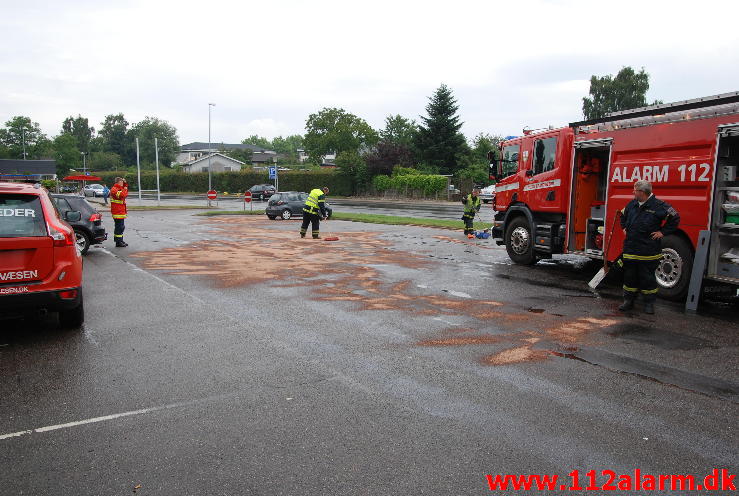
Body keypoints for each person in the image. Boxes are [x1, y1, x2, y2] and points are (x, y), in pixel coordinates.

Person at [618, 180, 680, 314]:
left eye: (635, 190)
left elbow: (675, 217)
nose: (633, 192)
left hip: (648, 250)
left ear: (642, 192)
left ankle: (649, 303)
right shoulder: (632, 204)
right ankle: (628, 301)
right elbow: (622, 215)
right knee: (629, 277)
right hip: (631, 249)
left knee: (648, 278)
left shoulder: (659, 205)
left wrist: (662, 232)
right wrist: (624, 228)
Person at [109, 177, 129, 247]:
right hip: (117, 212)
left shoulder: (119, 188)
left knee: (121, 227)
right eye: (122, 182)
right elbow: (123, 195)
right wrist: (125, 187)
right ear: (118, 182)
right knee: (119, 227)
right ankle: (118, 242)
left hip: (120, 211)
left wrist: (125, 185)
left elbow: (124, 194)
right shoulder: (114, 189)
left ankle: (120, 240)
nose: (122, 183)